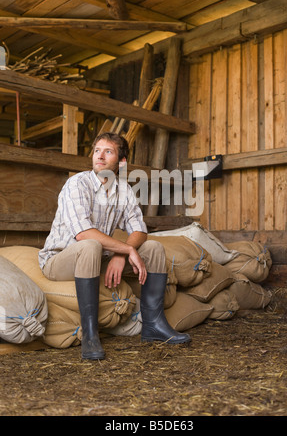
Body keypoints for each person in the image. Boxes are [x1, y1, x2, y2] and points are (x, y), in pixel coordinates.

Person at [39, 132, 191, 360]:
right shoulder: (77, 184)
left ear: (121, 162)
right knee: (90, 244)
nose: (99, 156)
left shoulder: (124, 190)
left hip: (97, 258)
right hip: (59, 260)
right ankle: (90, 334)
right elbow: (83, 233)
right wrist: (127, 249)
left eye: (107, 151)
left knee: (153, 249)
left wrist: (120, 256)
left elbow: (139, 230)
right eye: (97, 150)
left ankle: (153, 326)